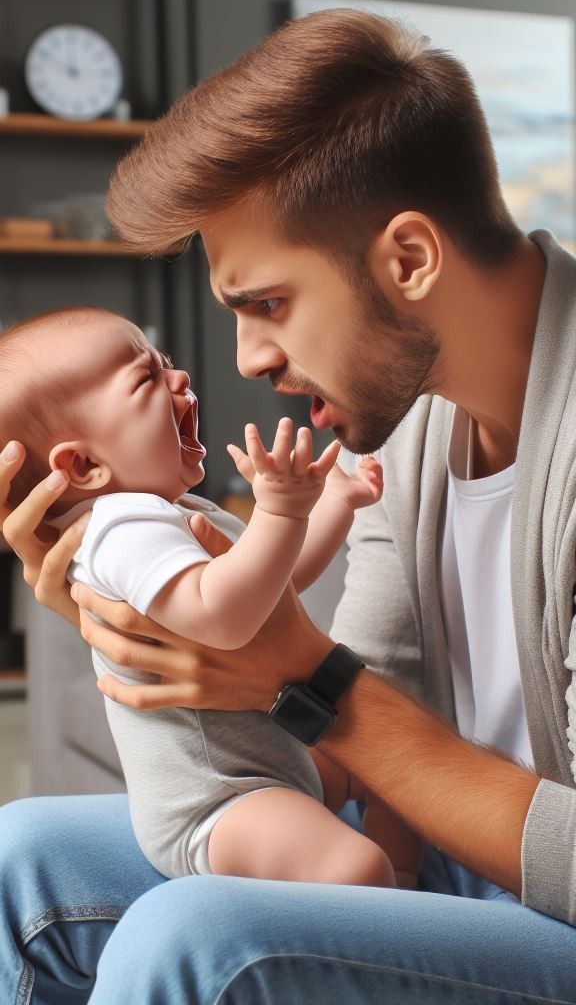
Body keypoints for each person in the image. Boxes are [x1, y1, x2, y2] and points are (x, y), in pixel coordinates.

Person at [1, 5, 576, 1005]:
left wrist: (297, 673)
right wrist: (139, 629)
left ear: (409, 259)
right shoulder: (409, 428)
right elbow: (361, 696)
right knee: (21, 857)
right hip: (432, 848)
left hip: (548, 906)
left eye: (266, 304)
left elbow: (332, 692)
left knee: (197, 938)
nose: (246, 360)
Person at [0, 306, 419, 890]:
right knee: (354, 868)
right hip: (217, 803)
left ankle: (405, 881)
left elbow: (278, 583)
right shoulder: (119, 530)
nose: (180, 379)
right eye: (146, 380)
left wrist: (334, 506)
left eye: (166, 362)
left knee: (396, 777)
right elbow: (223, 619)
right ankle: (388, 902)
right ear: (87, 465)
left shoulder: (173, 512)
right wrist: (279, 509)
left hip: (270, 767)